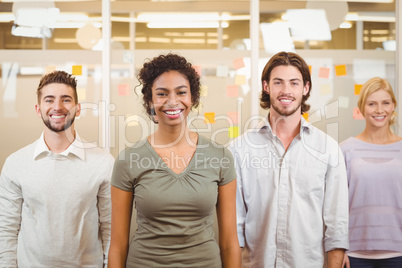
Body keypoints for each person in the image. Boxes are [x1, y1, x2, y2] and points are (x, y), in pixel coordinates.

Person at [108, 53, 241, 268]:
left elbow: (229, 243)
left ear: (192, 99)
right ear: (150, 101)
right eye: (162, 94)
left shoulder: (220, 157)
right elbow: (118, 246)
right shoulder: (128, 160)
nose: (172, 101)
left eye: (181, 92)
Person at [228, 51, 349, 267]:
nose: (286, 91)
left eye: (294, 83)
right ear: (266, 86)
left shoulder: (328, 149)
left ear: (306, 88)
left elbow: (337, 226)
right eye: (278, 82)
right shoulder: (239, 149)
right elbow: (235, 228)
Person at [0, 71, 114, 267]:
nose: (57, 107)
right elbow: (7, 229)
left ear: (77, 109)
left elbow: (110, 229)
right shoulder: (16, 163)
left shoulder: (103, 163)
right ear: (38, 109)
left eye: (66, 100)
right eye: (49, 100)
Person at [340, 77, 402, 268]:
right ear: (361, 108)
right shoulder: (345, 149)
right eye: (372, 104)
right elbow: (336, 206)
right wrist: (338, 249)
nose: (379, 110)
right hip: (355, 253)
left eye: (385, 103)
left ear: (393, 106)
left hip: (398, 251)